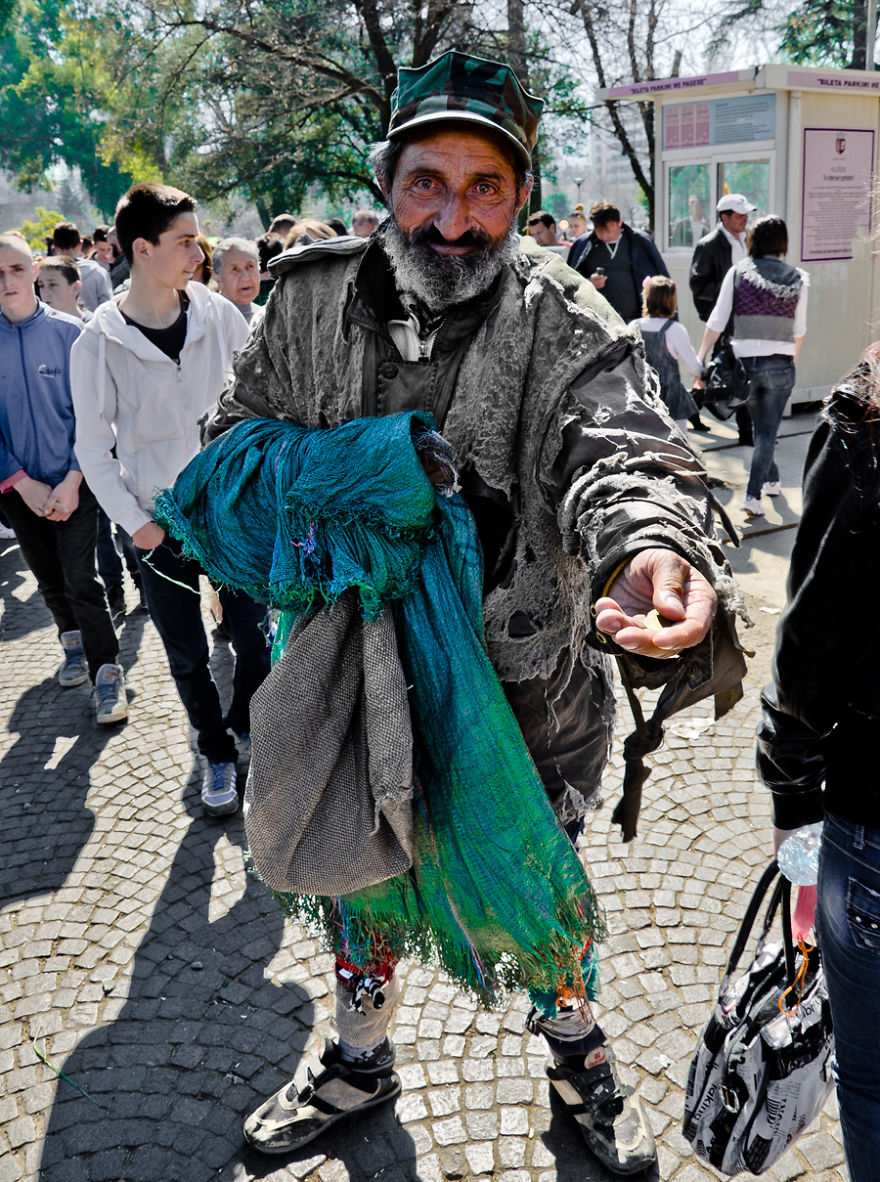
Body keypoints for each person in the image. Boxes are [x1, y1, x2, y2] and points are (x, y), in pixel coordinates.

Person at [203, 49, 746, 1174]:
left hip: (527, 699)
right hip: (352, 685)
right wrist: (371, 467)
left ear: (522, 195)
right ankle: (359, 1061)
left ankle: (579, 1062)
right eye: (426, 184)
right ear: (386, 183)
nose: (453, 219)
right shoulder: (306, 303)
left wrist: (649, 544)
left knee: (536, 897)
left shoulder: (563, 313)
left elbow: (623, 443)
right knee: (360, 894)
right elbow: (229, 453)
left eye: (484, 187)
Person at [69, 182, 272, 816]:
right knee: (185, 651)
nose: (198, 251)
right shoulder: (97, 341)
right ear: (142, 249)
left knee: (256, 638)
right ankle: (214, 751)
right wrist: (135, 525)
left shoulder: (217, 313)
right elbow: (92, 448)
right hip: (159, 526)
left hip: (233, 513)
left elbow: (257, 402)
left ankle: (247, 724)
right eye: (184, 241)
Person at [756, 342, 880, 1182]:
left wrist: (795, 814)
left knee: (871, 1083)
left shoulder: (868, 421)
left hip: (872, 815)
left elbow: (809, 656)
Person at [0, 232, 127, 723]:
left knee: (81, 579)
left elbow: (98, 416)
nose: (7, 281)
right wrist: (20, 482)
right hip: (17, 490)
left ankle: (107, 671)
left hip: (78, 483)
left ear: (34, 270)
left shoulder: (73, 334)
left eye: (15, 269)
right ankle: (70, 643)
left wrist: (73, 479)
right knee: (48, 579)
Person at [697, 215, 808, 516]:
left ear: (753, 241)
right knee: (767, 432)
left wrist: (701, 355)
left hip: (744, 366)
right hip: (781, 364)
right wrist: (790, 360)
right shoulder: (798, 277)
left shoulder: (738, 273)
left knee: (763, 429)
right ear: (782, 243)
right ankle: (753, 493)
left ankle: (769, 480)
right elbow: (800, 330)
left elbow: (717, 320)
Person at [690, 193, 757, 444]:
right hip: (725, 320)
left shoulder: (748, 240)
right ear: (724, 217)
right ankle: (747, 432)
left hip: (745, 316)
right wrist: (730, 292)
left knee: (730, 369)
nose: (744, 219)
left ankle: (691, 408)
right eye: (739, 215)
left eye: (746, 215)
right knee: (729, 369)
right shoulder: (709, 245)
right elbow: (698, 286)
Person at [572, 200, 669, 323]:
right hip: (598, 322)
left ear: (619, 223)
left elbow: (661, 280)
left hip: (637, 320)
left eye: (608, 231)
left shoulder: (640, 241)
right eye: (599, 231)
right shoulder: (583, 245)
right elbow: (570, 282)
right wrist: (589, 282)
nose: (604, 236)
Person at [631, 276, 704, 434]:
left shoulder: (634, 326)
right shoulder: (674, 329)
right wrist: (702, 374)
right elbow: (693, 366)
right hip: (671, 397)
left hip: (642, 394)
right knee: (678, 443)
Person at [51, 221, 113, 312]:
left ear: (56, 248)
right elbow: (108, 306)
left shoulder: (47, 276)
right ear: (80, 245)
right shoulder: (97, 271)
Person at [211, 237, 262, 324]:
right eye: (234, 269)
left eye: (250, 266)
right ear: (217, 278)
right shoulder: (210, 320)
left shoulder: (265, 316)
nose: (245, 277)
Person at [35, 256, 88, 320]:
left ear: (75, 288)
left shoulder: (94, 326)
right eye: (41, 285)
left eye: (53, 284)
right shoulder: (38, 325)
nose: (45, 293)